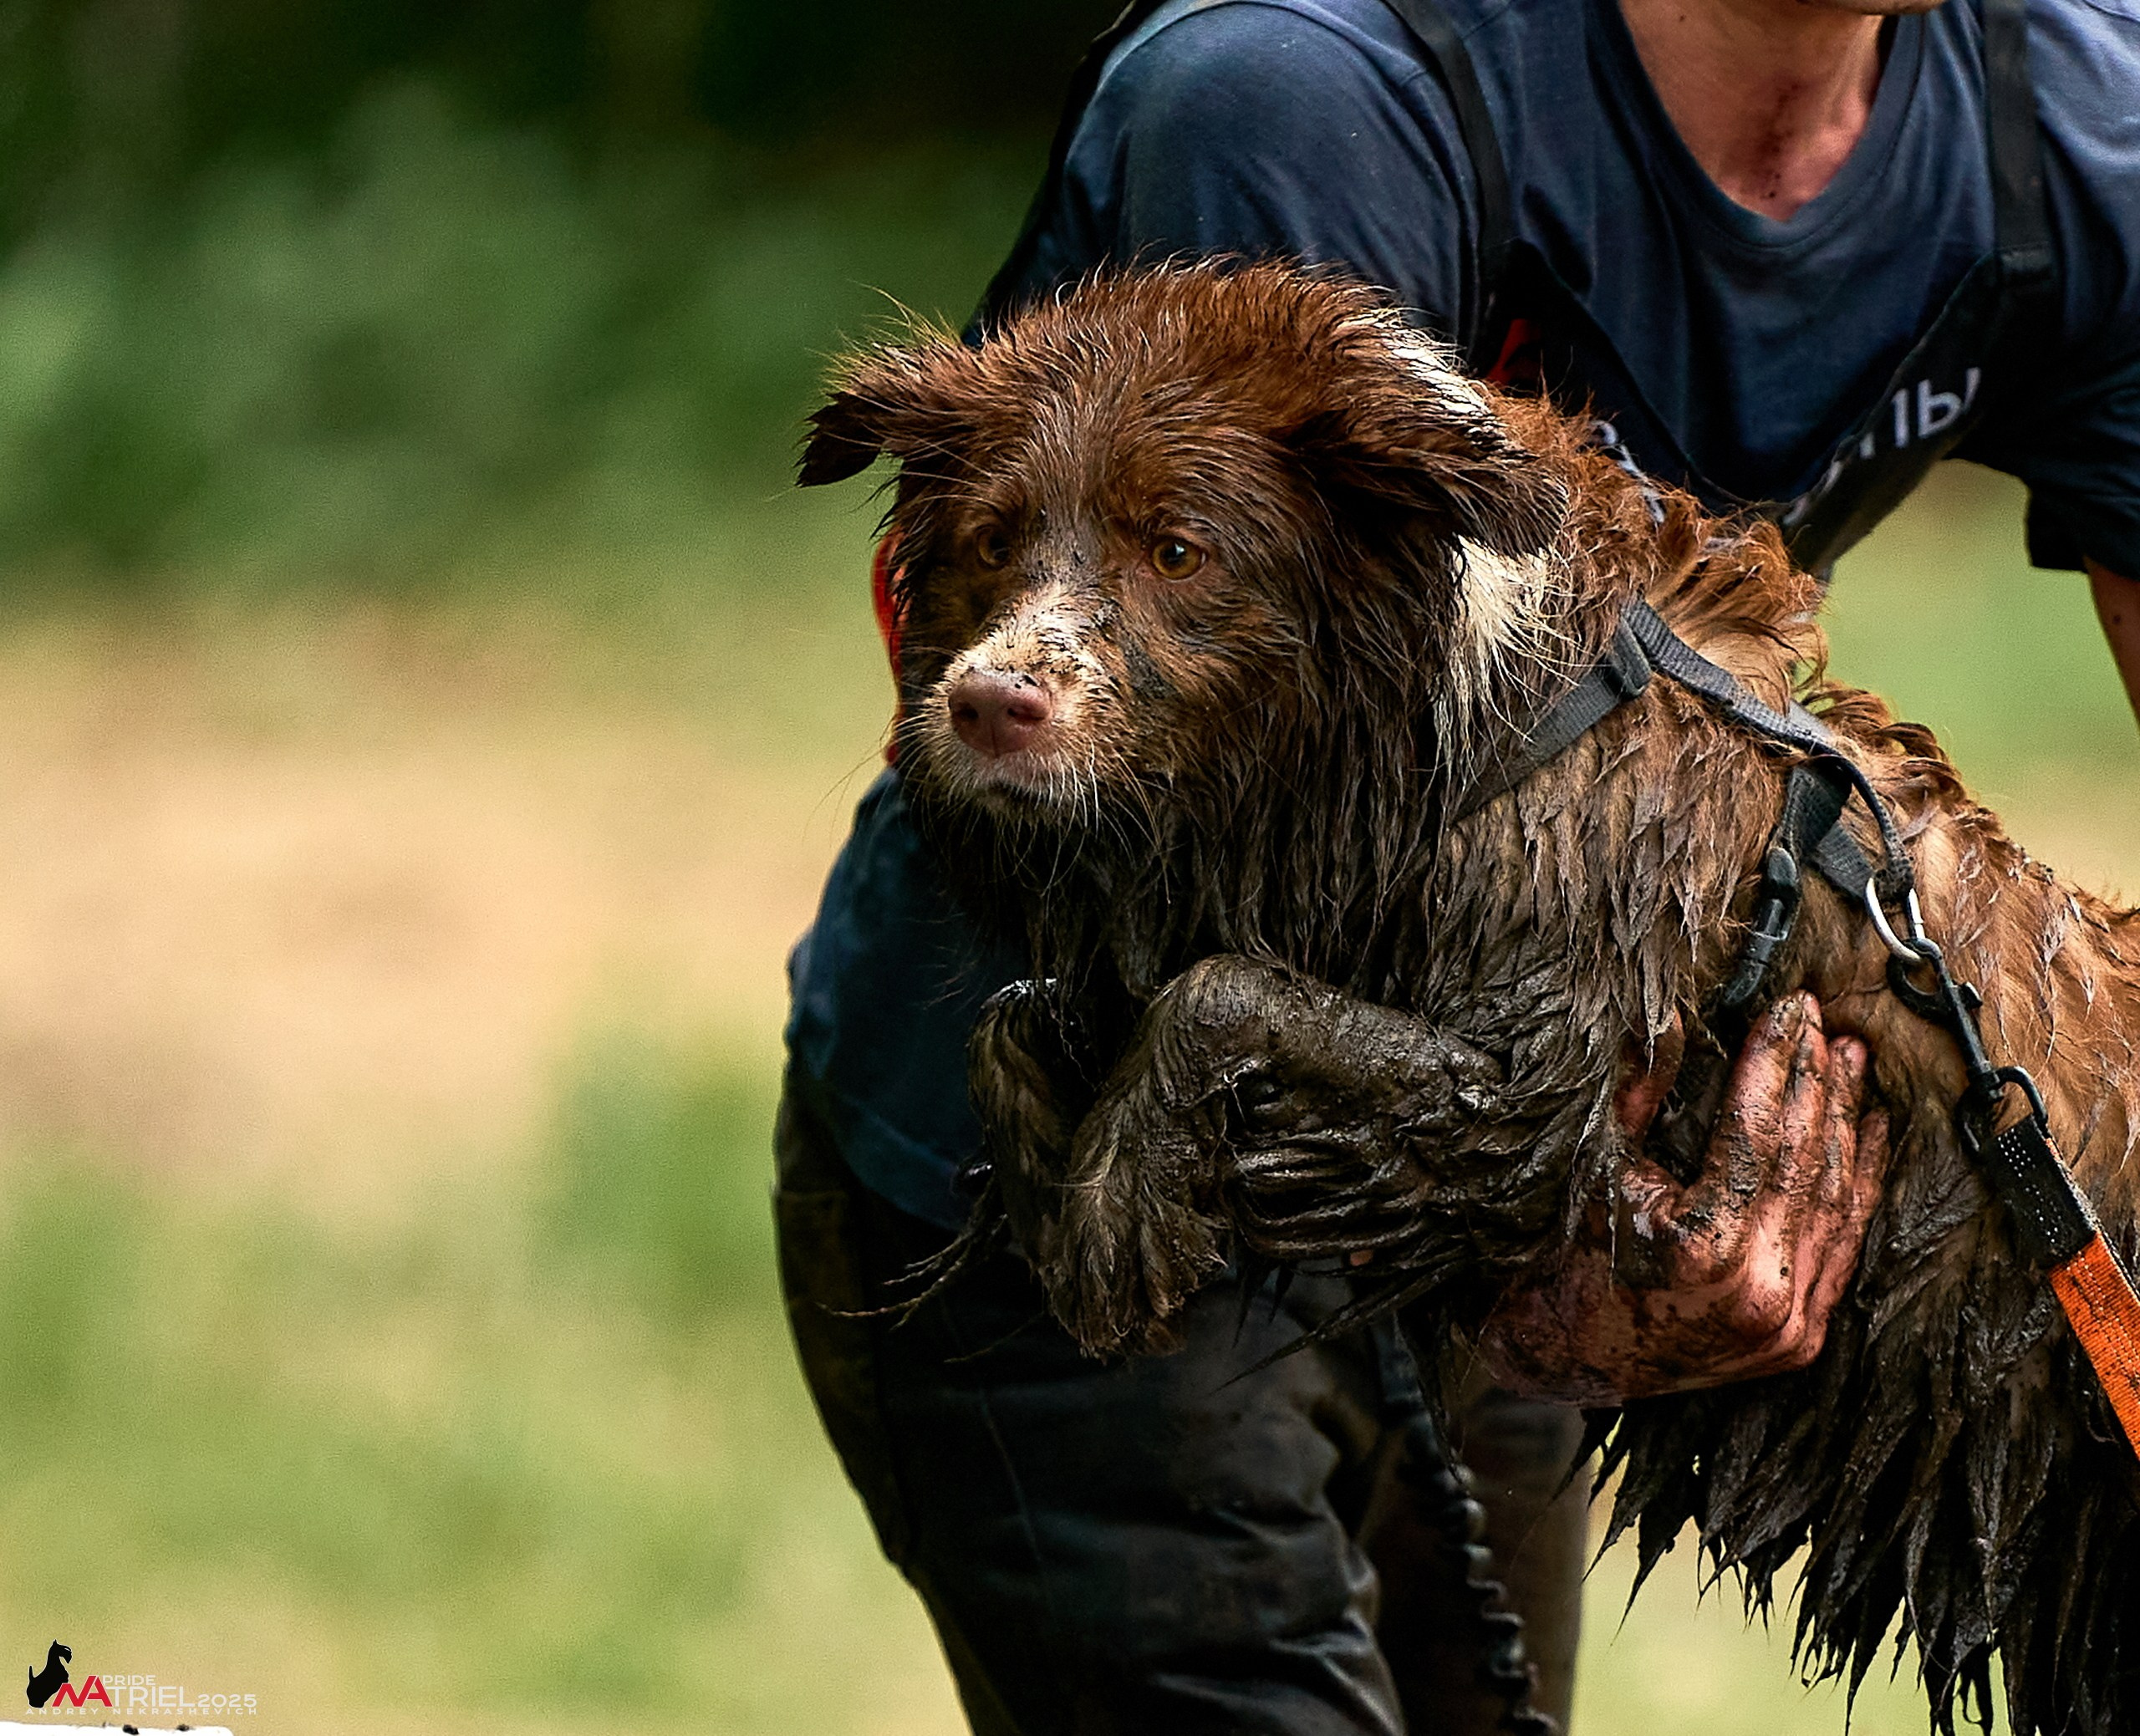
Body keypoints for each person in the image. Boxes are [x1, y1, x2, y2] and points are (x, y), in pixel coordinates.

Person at [776, 0, 2140, 1729]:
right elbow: (1147, 736)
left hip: (1502, 1127)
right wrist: (1576, 1239)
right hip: (1076, 1173)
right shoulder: (1311, 95)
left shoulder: (2072, 125)